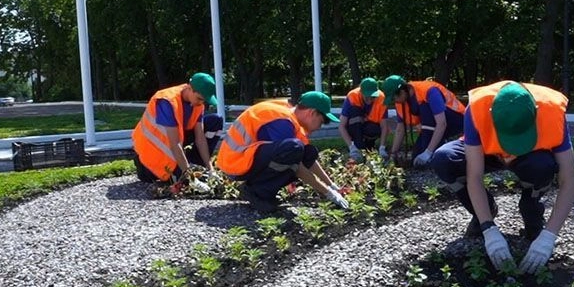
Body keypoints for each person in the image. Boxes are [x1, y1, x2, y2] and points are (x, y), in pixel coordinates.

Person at [431, 81, 574, 274]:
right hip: (488, 152)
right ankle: (484, 211)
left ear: (535, 112)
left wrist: (549, 236)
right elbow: (474, 176)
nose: (509, 153)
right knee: (444, 160)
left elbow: (569, 181)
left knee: (543, 167)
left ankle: (531, 206)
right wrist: (488, 228)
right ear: (492, 113)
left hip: (530, 157)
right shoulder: (477, 108)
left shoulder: (552, 111)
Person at [216, 91, 349, 212]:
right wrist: (328, 193)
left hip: (246, 158)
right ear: (312, 113)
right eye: (322, 121)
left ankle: (262, 191)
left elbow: (309, 161)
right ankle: (256, 192)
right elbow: (298, 167)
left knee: (308, 153)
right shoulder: (282, 121)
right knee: (294, 150)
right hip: (235, 163)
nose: (320, 126)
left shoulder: (289, 116)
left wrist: (332, 186)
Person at [131, 72, 223, 183]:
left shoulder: (197, 104)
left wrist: (210, 168)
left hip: (172, 147)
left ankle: (195, 165)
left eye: (204, 100)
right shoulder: (167, 102)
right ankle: (185, 168)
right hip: (150, 159)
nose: (201, 103)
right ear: (189, 88)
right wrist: (189, 176)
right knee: (184, 180)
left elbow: (200, 138)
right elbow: (174, 143)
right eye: (199, 98)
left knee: (216, 121)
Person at [381, 75, 465, 168]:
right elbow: (400, 129)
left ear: (402, 92)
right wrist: (393, 154)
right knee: (416, 159)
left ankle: (439, 150)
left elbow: (442, 123)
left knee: (425, 109)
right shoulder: (402, 101)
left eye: (393, 98)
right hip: (431, 126)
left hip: (455, 120)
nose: (394, 102)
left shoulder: (429, 91)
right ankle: (435, 148)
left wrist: (428, 152)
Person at [339, 77, 389, 162]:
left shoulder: (381, 98)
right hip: (353, 128)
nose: (369, 100)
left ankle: (369, 146)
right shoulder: (352, 96)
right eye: (366, 97)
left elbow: (384, 127)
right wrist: (352, 147)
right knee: (355, 113)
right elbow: (341, 126)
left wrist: (382, 148)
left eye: (373, 97)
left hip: (370, 127)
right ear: (361, 92)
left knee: (375, 130)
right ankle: (357, 148)